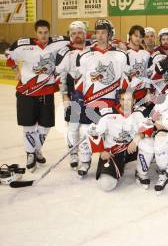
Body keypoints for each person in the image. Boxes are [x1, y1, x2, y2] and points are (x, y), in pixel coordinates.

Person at [5, 19, 69, 172]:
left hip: (46, 92)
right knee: (28, 125)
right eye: (40, 33)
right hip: (26, 92)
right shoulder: (24, 45)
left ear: (49, 31)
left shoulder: (58, 42)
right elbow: (8, 53)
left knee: (45, 125)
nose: (43, 35)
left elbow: (78, 39)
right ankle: (30, 154)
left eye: (46, 32)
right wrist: (16, 70)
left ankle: (36, 148)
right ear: (36, 33)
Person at [74, 19, 131, 178]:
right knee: (87, 131)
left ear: (109, 34)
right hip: (91, 103)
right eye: (97, 32)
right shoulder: (85, 54)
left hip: (110, 104)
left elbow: (124, 80)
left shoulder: (120, 55)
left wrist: (124, 102)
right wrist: (77, 99)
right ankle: (85, 161)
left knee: (109, 134)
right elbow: (79, 79)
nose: (100, 36)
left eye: (103, 32)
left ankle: (111, 160)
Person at [87, 89, 143, 192]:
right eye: (123, 99)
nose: (126, 103)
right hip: (113, 152)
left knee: (148, 143)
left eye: (129, 100)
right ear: (119, 101)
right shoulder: (108, 114)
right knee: (107, 185)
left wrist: (136, 140)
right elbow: (93, 131)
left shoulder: (139, 113)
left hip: (132, 150)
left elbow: (147, 128)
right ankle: (120, 165)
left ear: (134, 101)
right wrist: (101, 151)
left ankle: (141, 172)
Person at [55, 21, 91, 170]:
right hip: (74, 96)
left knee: (89, 126)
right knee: (74, 126)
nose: (77, 36)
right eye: (74, 33)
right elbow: (59, 75)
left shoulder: (91, 48)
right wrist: (64, 95)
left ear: (85, 33)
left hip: (91, 97)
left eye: (80, 32)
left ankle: (86, 154)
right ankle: (73, 153)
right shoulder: (65, 52)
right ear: (70, 35)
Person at [124, 25, 152, 107]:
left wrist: (148, 92)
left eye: (140, 36)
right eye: (136, 35)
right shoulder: (123, 53)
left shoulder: (146, 54)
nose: (138, 38)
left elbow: (147, 74)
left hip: (142, 94)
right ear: (130, 36)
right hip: (128, 94)